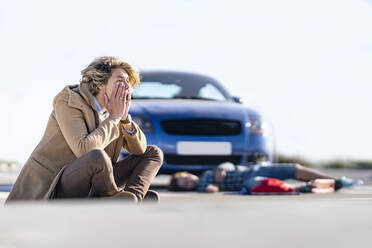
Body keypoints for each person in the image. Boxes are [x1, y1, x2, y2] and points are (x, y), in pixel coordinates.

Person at [6, 56, 163, 204]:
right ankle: (112, 198)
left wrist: (124, 120)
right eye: (120, 80)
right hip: (57, 184)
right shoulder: (69, 101)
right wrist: (114, 118)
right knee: (96, 156)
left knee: (153, 153)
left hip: (95, 181)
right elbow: (85, 150)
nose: (126, 86)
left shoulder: (114, 110)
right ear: (100, 83)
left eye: (128, 82)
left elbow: (139, 149)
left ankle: (133, 197)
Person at [168, 162, 361, 193]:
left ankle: (336, 180)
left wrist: (221, 168)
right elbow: (211, 190)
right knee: (262, 186)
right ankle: (308, 188)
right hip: (248, 182)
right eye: (185, 184)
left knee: (294, 168)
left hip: (252, 170)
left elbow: (228, 164)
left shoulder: (208, 173)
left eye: (186, 177)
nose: (188, 181)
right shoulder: (202, 186)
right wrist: (211, 189)